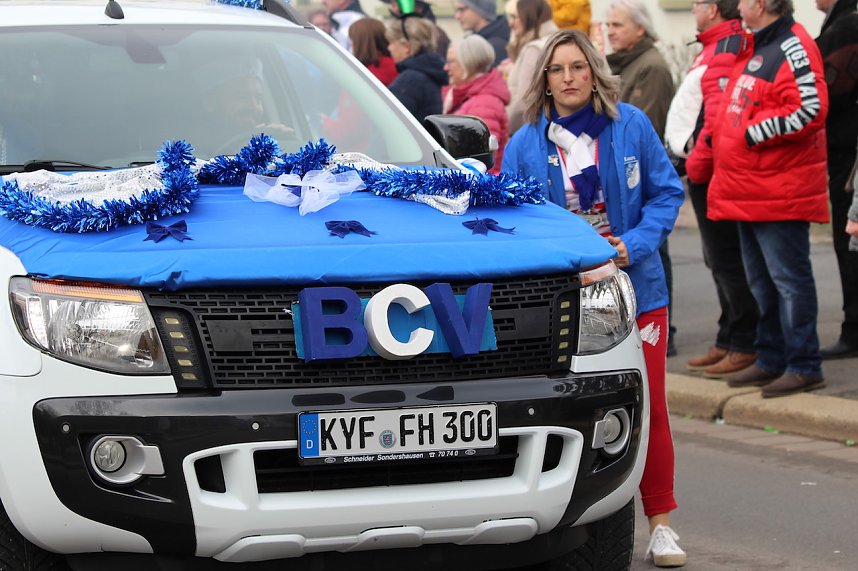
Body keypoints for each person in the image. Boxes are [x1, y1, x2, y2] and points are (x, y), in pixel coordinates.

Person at [501, 30, 686, 568]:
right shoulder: (526, 142)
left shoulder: (630, 126)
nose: (568, 78)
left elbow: (667, 191)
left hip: (636, 291)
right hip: (566, 300)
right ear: (545, 81)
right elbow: (512, 216)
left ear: (594, 72)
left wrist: (633, 244)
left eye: (578, 67)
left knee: (649, 409)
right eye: (557, 70)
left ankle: (662, 524)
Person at [709, 0, 830, 398]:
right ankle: (772, 357)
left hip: (778, 190)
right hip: (751, 189)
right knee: (762, 282)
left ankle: (803, 364)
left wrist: (750, 135)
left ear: (760, 4)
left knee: (789, 283)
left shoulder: (793, 44)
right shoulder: (757, 43)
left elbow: (810, 109)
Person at [664, 0, 758, 378]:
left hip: (716, 172)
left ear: (715, 9)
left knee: (727, 259)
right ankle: (730, 336)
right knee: (718, 259)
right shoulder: (712, 46)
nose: (692, 8)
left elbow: (716, 118)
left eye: (699, 3)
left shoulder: (727, 47)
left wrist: (696, 162)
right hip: (708, 170)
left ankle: (744, 341)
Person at [604, 0, 677, 357]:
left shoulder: (651, 67)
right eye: (608, 24)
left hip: (639, 179)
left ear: (641, 28)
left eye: (618, 24)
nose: (610, 30)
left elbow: (642, 126)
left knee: (652, 256)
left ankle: (668, 330)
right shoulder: (622, 64)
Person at [815, 0, 858, 360]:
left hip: (848, 155)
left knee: (849, 241)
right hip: (845, 151)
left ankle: (854, 329)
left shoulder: (846, 26)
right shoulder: (841, 22)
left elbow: (825, 93)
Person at [443, 35, 511, 173]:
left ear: (467, 64)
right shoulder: (469, 97)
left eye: (450, 62)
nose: (445, 67)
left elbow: (482, 165)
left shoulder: (484, 104)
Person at [504, 0, 558, 134]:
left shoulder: (534, 50)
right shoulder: (556, 41)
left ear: (529, 17)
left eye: (515, 17)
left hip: (530, 131)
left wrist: (505, 127)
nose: (510, 23)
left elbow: (525, 101)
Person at [386, 17, 448, 122]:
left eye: (391, 42)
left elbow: (390, 120)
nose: (389, 48)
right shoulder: (431, 71)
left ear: (406, 46)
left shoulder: (409, 80)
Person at [381, 0, 451, 57]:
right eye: (393, 4)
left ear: (419, 7)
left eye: (399, 3)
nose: (395, 10)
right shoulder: (405, 33)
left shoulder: (434, 36)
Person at [454, 0, 512, 68]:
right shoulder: (481, 41)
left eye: (461, 10)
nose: (457, 16)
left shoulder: (494, 47)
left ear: (479, 10)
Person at [350, 17, 398, 85]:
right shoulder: (395, 63)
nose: (350, 44)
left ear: (359, 43)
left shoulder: (365, 73)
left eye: (352, 40)